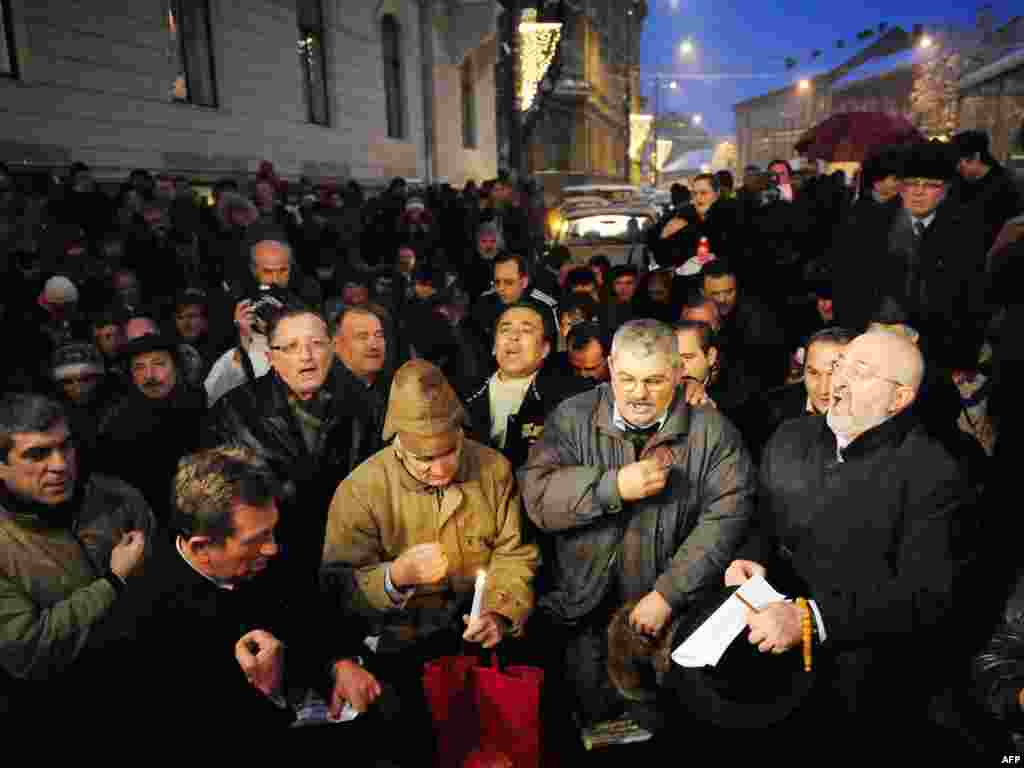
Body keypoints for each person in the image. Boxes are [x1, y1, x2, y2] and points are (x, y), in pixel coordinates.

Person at [519, 318, 755, 729]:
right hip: (584, 614)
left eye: (654, 380)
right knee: (590, 731)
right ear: (609, 365)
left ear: (680, 373)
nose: (638, 393)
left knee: (666, 731)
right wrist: (612, 487)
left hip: (672, 618)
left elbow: (726, 519)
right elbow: (537, 497)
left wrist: (668, 593)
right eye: (626, 378)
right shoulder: (572, 417)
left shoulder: (713, 433)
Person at [729, 330, 966, 738]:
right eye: (841, 366)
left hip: (865, 682)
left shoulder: (933, 471)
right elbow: (762, 520)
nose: (838, 381)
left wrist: (810, 618)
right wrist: (754, 557)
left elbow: (926, 594)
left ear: (899, 398)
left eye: (862, 372)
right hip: (769, 661)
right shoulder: (789, 437)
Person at [321, 359, 539, 758]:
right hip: (401, 654)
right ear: (399, 445)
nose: (439, 469)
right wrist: (395, 576)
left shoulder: (493, 469)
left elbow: (514, 552)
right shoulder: (361, 490)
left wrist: (499, 613)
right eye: (424, 460)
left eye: (449, 453)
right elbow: (336, 588)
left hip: (478, 644)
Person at [117, 446, 401, 745]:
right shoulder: (148, 619)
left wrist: (339, 661)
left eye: (272, 531)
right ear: (202, 548)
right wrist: (267, 691)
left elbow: (312, 609)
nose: (273, 548)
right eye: (257, 540)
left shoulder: (266, 540)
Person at [0, 394, 151, 727]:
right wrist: (113, 583)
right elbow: (27, 650)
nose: (60, 464)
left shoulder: (119, 497)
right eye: (37, 454)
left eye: (65, 446)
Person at [204, 308, 354, 586]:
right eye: (292, 347)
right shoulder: (234, 411)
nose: (307, 356)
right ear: (271, 357)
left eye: (316, 344)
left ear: (333, 348)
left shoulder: (360, 402)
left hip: (348, 557)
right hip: (270, 563)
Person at [831, 141, 986, 339]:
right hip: (874, 339)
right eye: (911, 183)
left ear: (946, 189)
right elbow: (849, 284)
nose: (918, 192)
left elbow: (971, 300)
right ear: (901, 186)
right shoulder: (869, 224)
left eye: (930, 185)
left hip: (938, 344)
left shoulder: (967, 231)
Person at [458, 303, 588, 471]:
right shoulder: (462, 394)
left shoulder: (566, 399)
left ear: (545, 349)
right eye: (505, 330)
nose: (513, 336)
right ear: (494, 344)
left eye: (526, 330)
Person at [701, 259, 787, 391]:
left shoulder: (757, 320)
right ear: (702, 292)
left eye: (729, 292)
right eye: (715, 294)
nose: (722, 299)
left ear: (737, 289)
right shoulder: (695, 316)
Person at [331, 304, 393, 471]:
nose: (374, 345)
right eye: (362, 337)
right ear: (336, 344)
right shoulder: (324, 397)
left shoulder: (394, 388)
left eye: (379, 336)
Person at [949, 129, 1022, 255]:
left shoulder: (1005, 187)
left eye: (961, 163)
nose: (957, 168)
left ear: (976, 157)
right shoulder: (958, 182)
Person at [470, 252, 558, 348]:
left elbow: (550, 350)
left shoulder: (544, 306)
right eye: (497, 282)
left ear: (524, 282)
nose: (500, 288)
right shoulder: (484, 302)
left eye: (508, 282)